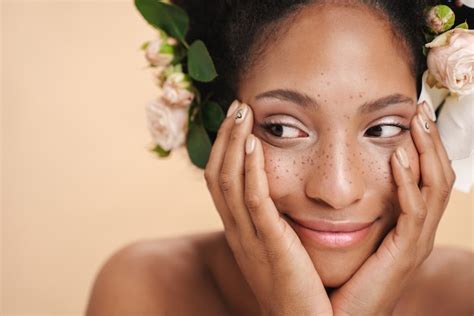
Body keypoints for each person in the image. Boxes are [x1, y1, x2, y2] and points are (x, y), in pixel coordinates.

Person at [85, 0, 474, 315]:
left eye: (384, 129)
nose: (337, 190)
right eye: (283, 129)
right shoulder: (145, 291)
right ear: (219, 122)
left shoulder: (464, 296)